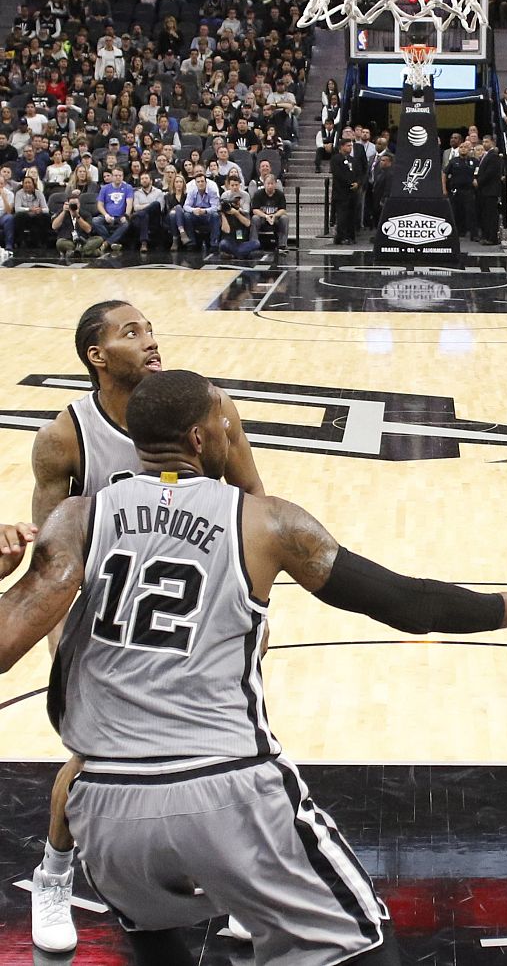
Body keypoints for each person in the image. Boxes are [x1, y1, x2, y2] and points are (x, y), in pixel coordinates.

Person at [0, 370, 507, 965]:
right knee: (361, 945)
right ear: (201, 439)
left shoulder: (78, 519)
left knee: (152, 937)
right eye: (224, 418)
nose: (232, 428)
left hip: (104, 805)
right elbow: (402, 602)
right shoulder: (268, 524)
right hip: (228, 788)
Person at [26, 302, 264, 953]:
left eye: (151, 328)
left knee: (229, 754)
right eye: (131, 332)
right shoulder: (66, 435)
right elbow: (53, 559)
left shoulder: (205, 407)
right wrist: (62, 654)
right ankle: (52, 872)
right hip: (112, 614)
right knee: (94, 757)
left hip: (204, 608)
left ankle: (240, 887)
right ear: (96, 356)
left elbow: (256, 507)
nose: (151, 339)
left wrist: (252, 618)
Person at [331, 136, 362, 244]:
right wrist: (349, 183)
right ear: (342, 147)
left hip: (352, 193)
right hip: (341, 192)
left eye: (351, 146)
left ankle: (351, 236)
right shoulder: (336, 159)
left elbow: (359, 173)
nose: (350, 148)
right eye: (348, 146)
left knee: (352, 215)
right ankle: (341, 237)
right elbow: (338, 174)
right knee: (342, 216)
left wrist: (357, 183)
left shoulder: (353, 160)